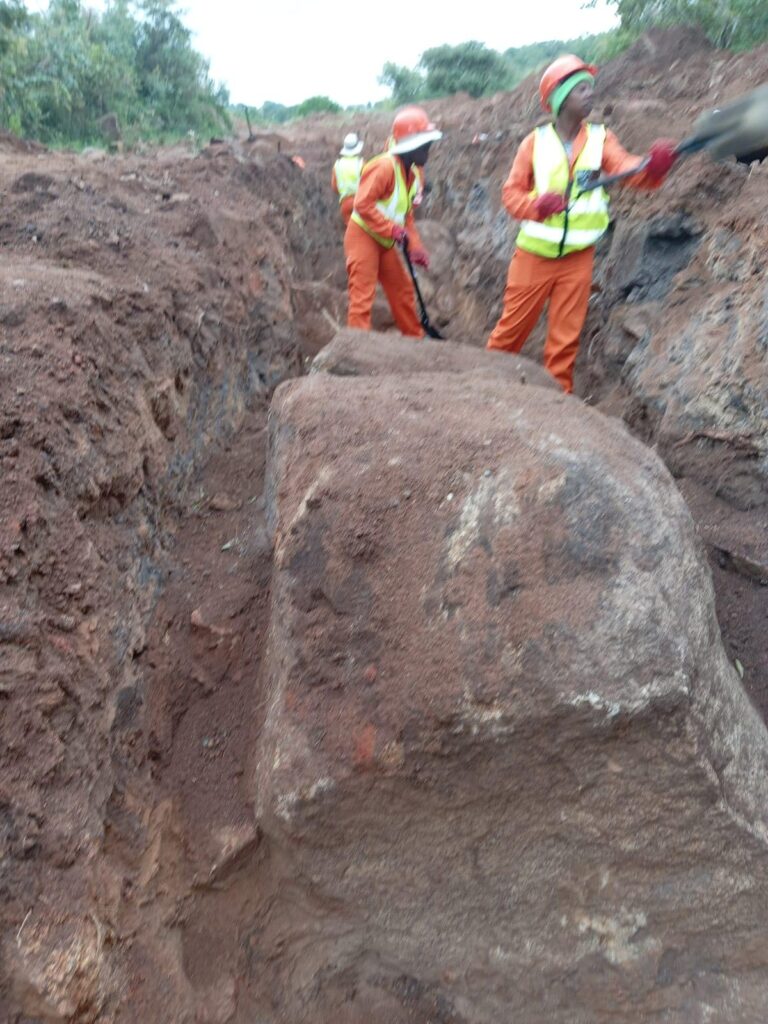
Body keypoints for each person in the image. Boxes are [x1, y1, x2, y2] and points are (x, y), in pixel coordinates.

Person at [487, 55, 679, 393]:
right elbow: (510, 195)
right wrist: (536, 206)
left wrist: (653, 167)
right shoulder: (533, 143)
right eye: (581, 89)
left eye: (590, 87)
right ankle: (483, 391)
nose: (591, 94)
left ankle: (561, 408)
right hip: (534, 256)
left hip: (578, 259)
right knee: (510, 333)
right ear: (561, 99)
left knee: (564, 343)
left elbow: (626, 169)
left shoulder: (601, 139)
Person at [345, 106, 442, 336]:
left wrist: (415, 247)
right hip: (363, 236)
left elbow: (406, 215)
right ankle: (357, 352)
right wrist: (391, 229)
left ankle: (414, 339)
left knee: (402, 291)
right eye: (425, 145)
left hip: (384, 240)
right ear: (412, 146)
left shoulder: (412, 173)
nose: (429, 149)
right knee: (362, 297)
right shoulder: (384, 167)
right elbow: (362, 204)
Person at [332, 133, 364, 226]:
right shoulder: (361, 164)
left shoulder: (337, 165)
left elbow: (334, 187)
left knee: (350, 233)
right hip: (360, 203)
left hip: (345, 203)